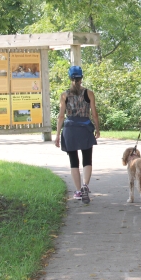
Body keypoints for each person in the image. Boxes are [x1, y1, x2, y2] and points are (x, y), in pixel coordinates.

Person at [55, 66, 100, 204]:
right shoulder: (89, 93)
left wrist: (57, 135)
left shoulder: (64, 95)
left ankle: (79, 191)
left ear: (70, 78)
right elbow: (94, 114)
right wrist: (97, 129)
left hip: (70, 130)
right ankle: (85, 185)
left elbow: (61, 116)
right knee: (87, 159)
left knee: (73, 161)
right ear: (81, 78)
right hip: (85, 128)